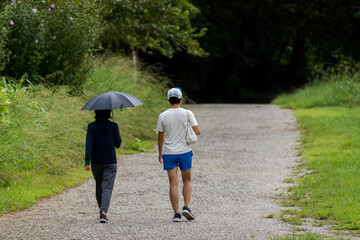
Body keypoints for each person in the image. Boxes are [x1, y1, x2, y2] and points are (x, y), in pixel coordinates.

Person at [156, 87, 201, 222]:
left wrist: (160, 153)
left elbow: (160, 137)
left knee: (173, 184)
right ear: (181, 99)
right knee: (187, 180)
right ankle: (186, 207)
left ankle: (176, 214)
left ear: (168, 100)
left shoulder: (163, 115)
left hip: (169, 153)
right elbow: (197, 131)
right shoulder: (187, 113)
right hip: (185, 152)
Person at [85, 109, 121, 223]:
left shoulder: (91, 127)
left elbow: (89, 143)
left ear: (96, 113)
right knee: (107, 187)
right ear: (109, 114)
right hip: (110, 162)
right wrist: (114, 130)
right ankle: (103, 212)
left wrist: (87, 161)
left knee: (99, 186)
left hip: (96, 162)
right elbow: (118, 144)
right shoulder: (113, 126)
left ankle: (101, 210)